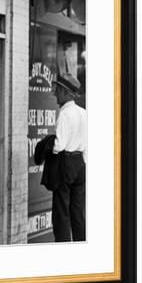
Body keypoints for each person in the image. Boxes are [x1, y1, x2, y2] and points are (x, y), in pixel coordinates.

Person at [51, 73, 87, 242]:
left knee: (62, 212)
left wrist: (47, 146)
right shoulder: (83, 113)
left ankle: (63, 250)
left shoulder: (65, 114)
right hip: (80, 164)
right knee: (77, 212)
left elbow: (59, 146)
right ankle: (81, 245)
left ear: (65, 92)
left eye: (57, 90)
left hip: (65, 164)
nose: (54, 93)